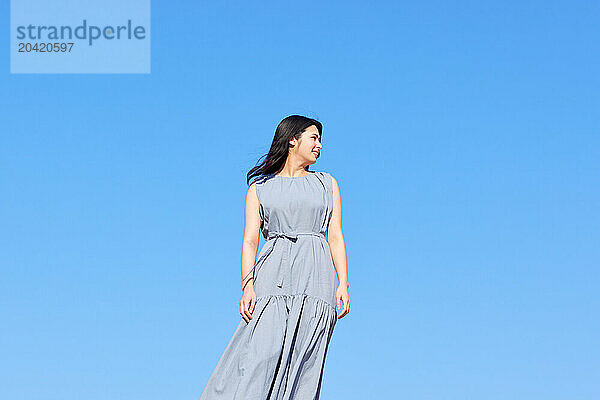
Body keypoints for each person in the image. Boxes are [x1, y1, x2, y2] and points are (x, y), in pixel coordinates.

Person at [199, 115, 350, 400]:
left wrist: (343, 283)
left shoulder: (327, 184)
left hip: (316, 277)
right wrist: (248, 284)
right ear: (293, 139)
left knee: (306, 360)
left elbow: (335, 236)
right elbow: (250, 240)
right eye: (314, 138)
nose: (319, 145)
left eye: (320, 140)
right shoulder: (260, 188)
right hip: (272, 275)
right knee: (260, 353)